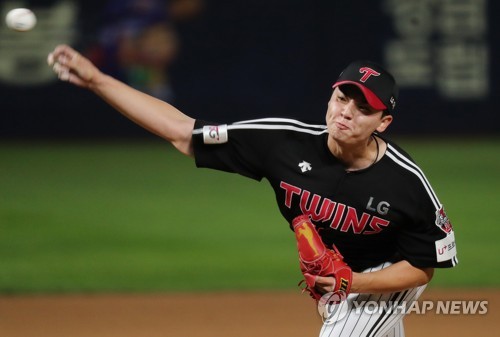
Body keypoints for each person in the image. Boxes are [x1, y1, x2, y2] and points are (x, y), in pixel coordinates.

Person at [47, 45, 458, 337]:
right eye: (341, 97)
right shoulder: (283, 143)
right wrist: (98, 80)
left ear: (383, 123)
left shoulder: (408, 183)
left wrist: (352, 282)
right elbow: (180, 131)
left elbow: (424, 266)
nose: (346, 111)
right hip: (343, 276)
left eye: (363, 108)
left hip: (388, 274)